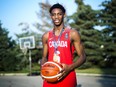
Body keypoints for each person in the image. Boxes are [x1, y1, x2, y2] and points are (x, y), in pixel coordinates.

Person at [41, 3, 86, 87]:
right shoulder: (46, 36)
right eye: (53, 15)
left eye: (59, 14)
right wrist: (43, 67)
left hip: (67, 76)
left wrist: (70, 67)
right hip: (50, 76)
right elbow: (44, 57)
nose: (56, 17)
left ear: (64, 15)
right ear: (51, 16)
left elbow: (83, 57)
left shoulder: (72, 33)